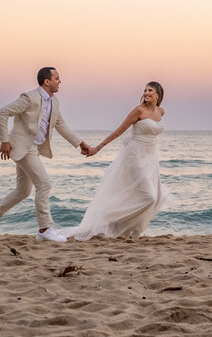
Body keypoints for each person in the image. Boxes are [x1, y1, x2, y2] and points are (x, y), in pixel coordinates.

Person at [0, 67, 94, 243]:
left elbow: (61, 125)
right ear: (47, 81)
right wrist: (4, 141)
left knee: (23, 191)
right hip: (24, 147)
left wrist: (80, 144)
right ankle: (45, 229)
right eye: (57, 78)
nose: (60, 81)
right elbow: (2, 113)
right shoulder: (29, 98)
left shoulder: (55, 102)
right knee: (44, 184)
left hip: (34, 148)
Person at [63, 81, 173, 240]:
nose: (146, 93)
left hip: (151, 157)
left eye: (150, 90)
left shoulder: (161, 112)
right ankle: (111, 219)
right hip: (135, 155)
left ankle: (135, 232)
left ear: (158, 94)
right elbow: (118, 132)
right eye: (145, 90)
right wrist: (97, 148)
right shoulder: (138, 110)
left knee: (156, 196)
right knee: (150, 197)